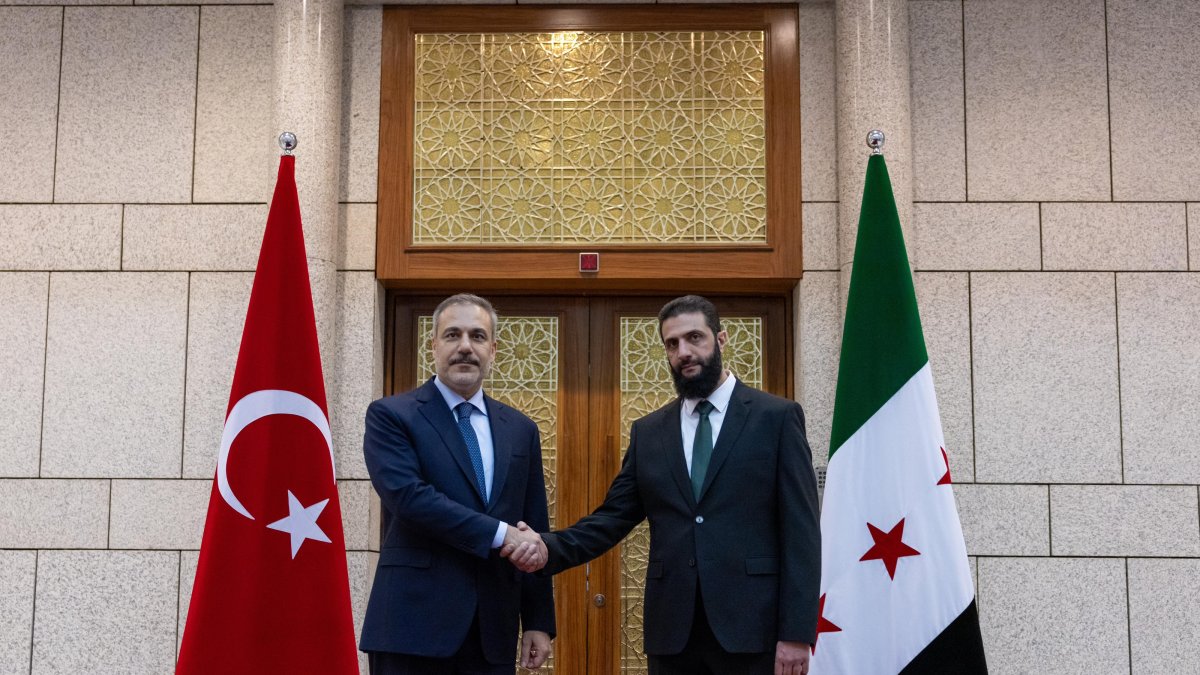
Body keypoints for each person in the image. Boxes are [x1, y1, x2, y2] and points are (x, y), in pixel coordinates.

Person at [508, 295, 820, 675]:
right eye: (672, 344)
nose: (684, 352)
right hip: (673, 635)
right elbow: (611, 519)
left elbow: (801, 533)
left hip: (755, 632)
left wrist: (797, 632)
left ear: (720, 339)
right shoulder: (650, 432)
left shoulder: (777, 418)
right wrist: (547, 547)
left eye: (694, 338)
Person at [360, 293, 555, 674]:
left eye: (478, 336)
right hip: (411, 629)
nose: (465, 346)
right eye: (452, 335)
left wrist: (538, 619)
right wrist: (500, 535)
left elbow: (532, 527)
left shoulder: (521, 429)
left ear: (493, 350)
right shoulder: (391, 416)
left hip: (492, 631)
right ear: (432, 345)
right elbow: (410, 498)